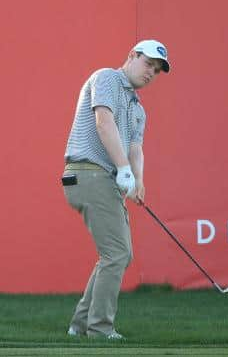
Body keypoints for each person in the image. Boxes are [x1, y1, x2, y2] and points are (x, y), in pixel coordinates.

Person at [62, 40, 170, 339]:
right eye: (148, 63)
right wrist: (123, 169)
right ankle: (100, 329)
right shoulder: (107, 77)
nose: (151, 72)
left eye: (157, 70)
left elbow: (136, 147)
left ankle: (80, 326)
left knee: (118, 254)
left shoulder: (138, 109)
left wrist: (138, 181)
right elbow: (103, 123)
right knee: (117, 253)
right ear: (132, 56)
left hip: (104, 178)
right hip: (88, 173)